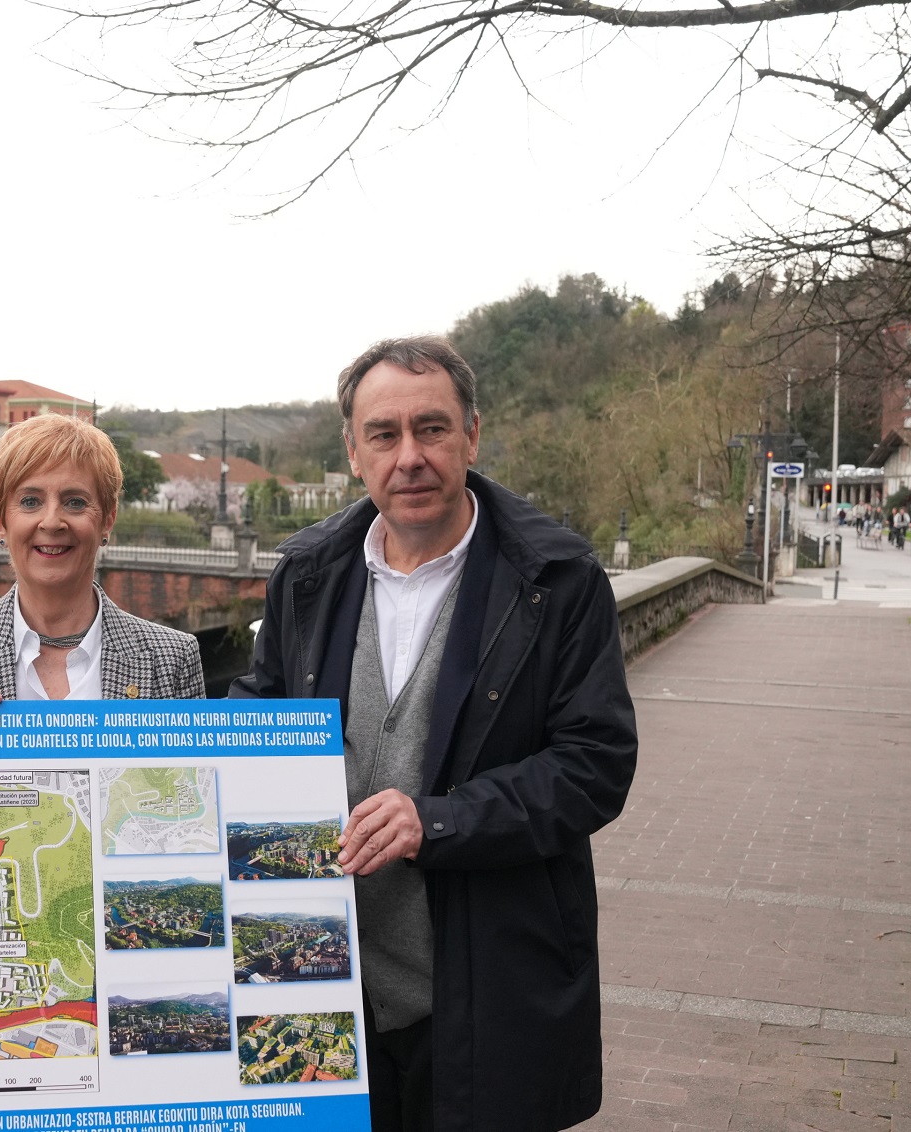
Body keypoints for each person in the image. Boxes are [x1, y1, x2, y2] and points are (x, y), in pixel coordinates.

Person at [231, 337, 636, 1131]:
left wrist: (438, 821)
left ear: (472, 436)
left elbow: (595, 764)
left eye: (432, 429)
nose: (409, 456)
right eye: (384, 435)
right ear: (354, 453)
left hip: (485, 984)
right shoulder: (307, 576)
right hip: (326, 987)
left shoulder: (557, 580)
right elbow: (259, 713)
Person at [0, 413, 203, 703]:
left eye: (75, 502)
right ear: (0, 523)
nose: (52, 522)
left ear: (107, 521)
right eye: (30, 501)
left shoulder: (172, 660)